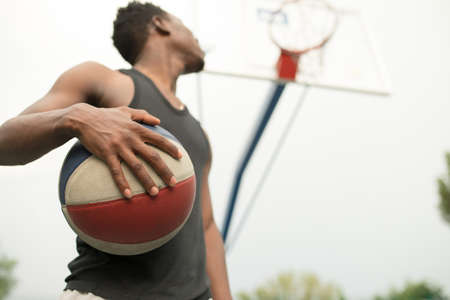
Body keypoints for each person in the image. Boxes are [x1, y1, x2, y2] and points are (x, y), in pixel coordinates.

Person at [0, 2, 232, 299]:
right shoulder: (105, 81)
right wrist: (76, 117)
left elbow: (207, 225)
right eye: (186, 26)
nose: (197, 38)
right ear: (160, 24)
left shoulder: (199, 134)